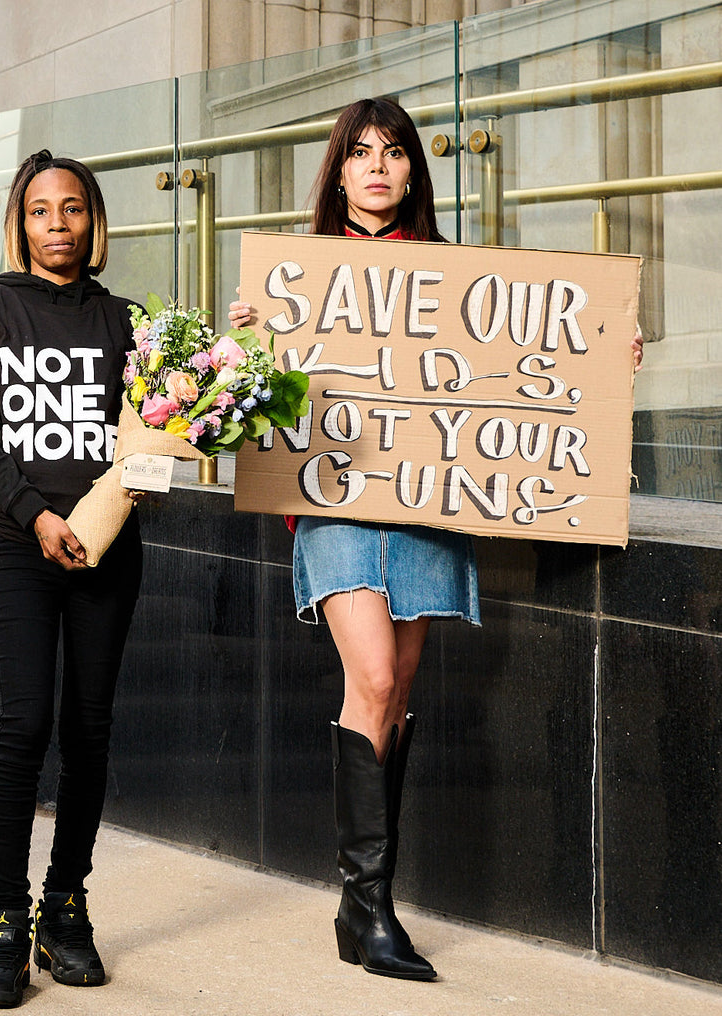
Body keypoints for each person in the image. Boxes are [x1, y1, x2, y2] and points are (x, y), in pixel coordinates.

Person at [228, 97, 643, 982]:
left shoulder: (456, 277)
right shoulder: (299, 278)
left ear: (414, 171)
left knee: (396, 692)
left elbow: (543, 360)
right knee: (372, 676)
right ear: (337, 171)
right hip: (337, 502)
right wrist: (242, 354)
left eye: (394, 153)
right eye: (359, 153)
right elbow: (250, 408)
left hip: (426, 504)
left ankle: (361, 903)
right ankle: (371, 905)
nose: (377, 166)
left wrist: (606, 348)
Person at [0, 150, 142, 1008]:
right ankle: (4, 918)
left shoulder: (127, 321)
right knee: (24, 725)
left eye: (73, 210)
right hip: (25, 545)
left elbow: (154, 435)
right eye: (39, 211)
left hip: (107, 551)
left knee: (89, 730)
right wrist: (36, 514)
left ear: (95, 223)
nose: (57, 224)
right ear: (17, 222)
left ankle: (65, 906)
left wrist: (109, 513)